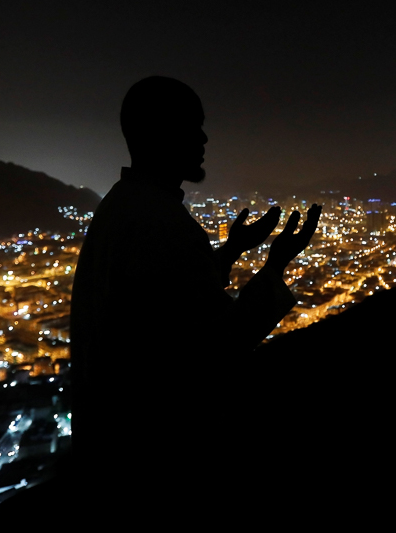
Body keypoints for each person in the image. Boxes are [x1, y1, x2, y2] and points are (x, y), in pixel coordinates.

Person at [70, 76, 321, 506]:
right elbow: (217, 344)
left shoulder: (121, 205)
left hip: (111, 447)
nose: (204, 138)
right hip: (155, 460)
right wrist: (276, 264)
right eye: (193, 125)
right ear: (160, 133)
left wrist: (232, 251)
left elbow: (168, 302)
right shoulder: (161, 222)